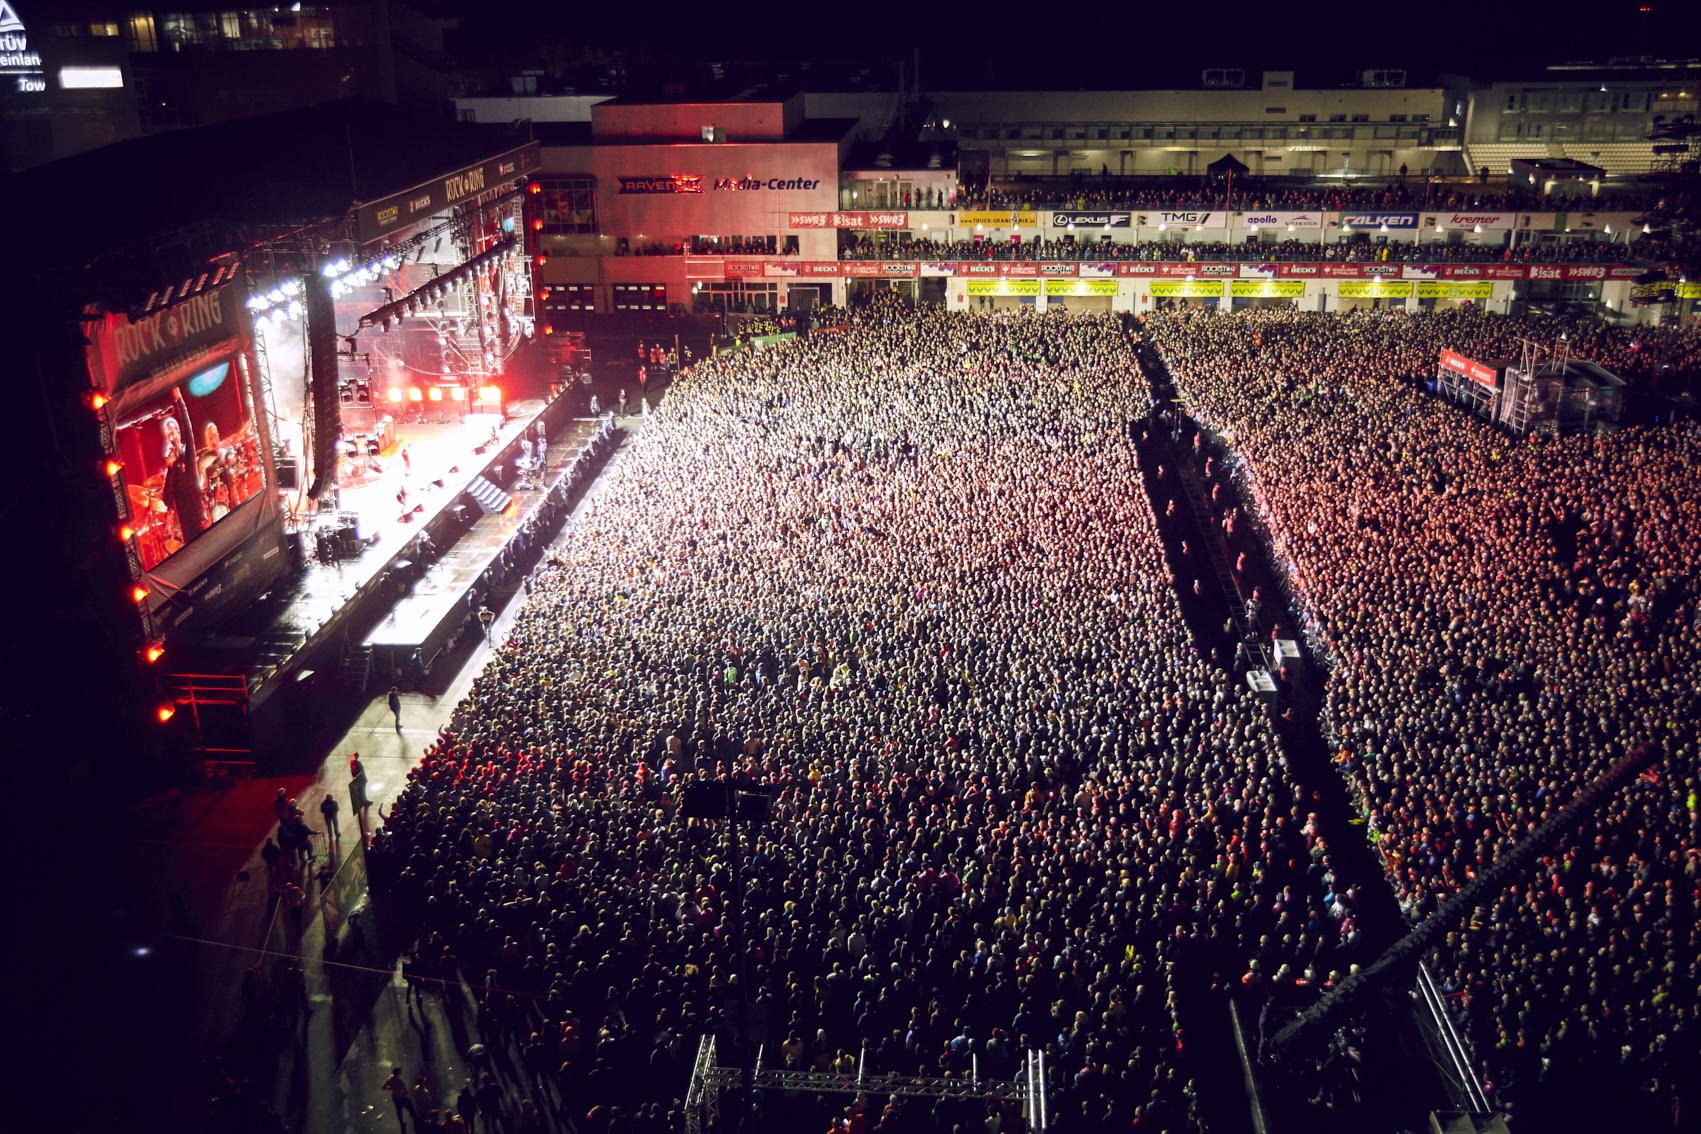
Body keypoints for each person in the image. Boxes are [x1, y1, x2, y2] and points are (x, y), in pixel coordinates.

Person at [383, 1067, 416, 1131]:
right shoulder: (400, 1081)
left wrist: (392, 1089)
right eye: (400, 1072)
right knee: (411, 1107)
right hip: (401, 1098)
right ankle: (415, 1120)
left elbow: (383, 1087)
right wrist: (402, 1095)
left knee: (399, 1110)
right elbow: (406, 1091)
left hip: (395, 1098)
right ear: (398, 1073)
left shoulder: (390, 1079)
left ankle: (402, 1122)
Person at [350, 753, 371, 844]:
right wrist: (364, 778)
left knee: (362, 791)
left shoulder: (352, 763)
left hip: (358, 779)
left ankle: (364, 800)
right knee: (363, 791)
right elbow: (362, 771)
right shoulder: (358, 764)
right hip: (361, 779)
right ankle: (364, 801)